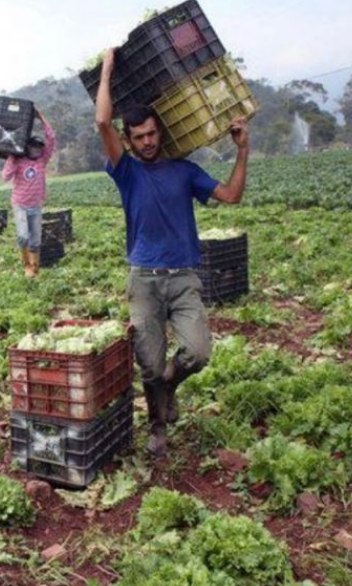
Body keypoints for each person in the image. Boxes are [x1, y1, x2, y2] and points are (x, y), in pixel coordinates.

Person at [95, 48, 251, 458]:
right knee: (147, 362)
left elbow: (232, 196)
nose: (147, 141)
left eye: (151, 133)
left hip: (183, 277)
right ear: (129, 140)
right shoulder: (126, 171)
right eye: (139, 136)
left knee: (197, 353)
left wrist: (242, 150)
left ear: (160, 131)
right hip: (143, 278)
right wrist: (107, 69)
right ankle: (157, 426)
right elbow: (100, 122)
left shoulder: (185, 170)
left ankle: (169, 385)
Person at [2, 109, 55, 277]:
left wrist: (41, 118)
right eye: (34, 147)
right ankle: (26, 265)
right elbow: (5, 177)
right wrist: (11, 157)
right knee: (23, 237)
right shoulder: (18, 161)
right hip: (20, 205)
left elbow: (51, 138)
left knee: (35, 241)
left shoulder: (42, 160)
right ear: (28, 148)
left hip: (36, 205)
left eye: (40, 148)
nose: (37, 151)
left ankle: (35, 269)